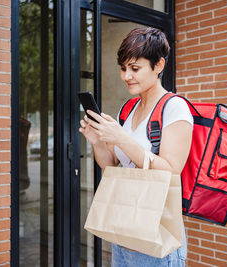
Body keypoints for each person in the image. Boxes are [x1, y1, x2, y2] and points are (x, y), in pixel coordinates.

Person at [79, 27, 193, 267]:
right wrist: (98, 141)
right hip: (125, 234)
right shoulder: (127, 109)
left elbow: (170, 171)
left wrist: (121, 138)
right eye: (123, 68)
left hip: (157, 240)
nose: (126, 76)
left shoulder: (175, 108)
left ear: (159, 65)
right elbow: (110, 165)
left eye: (135, 68)